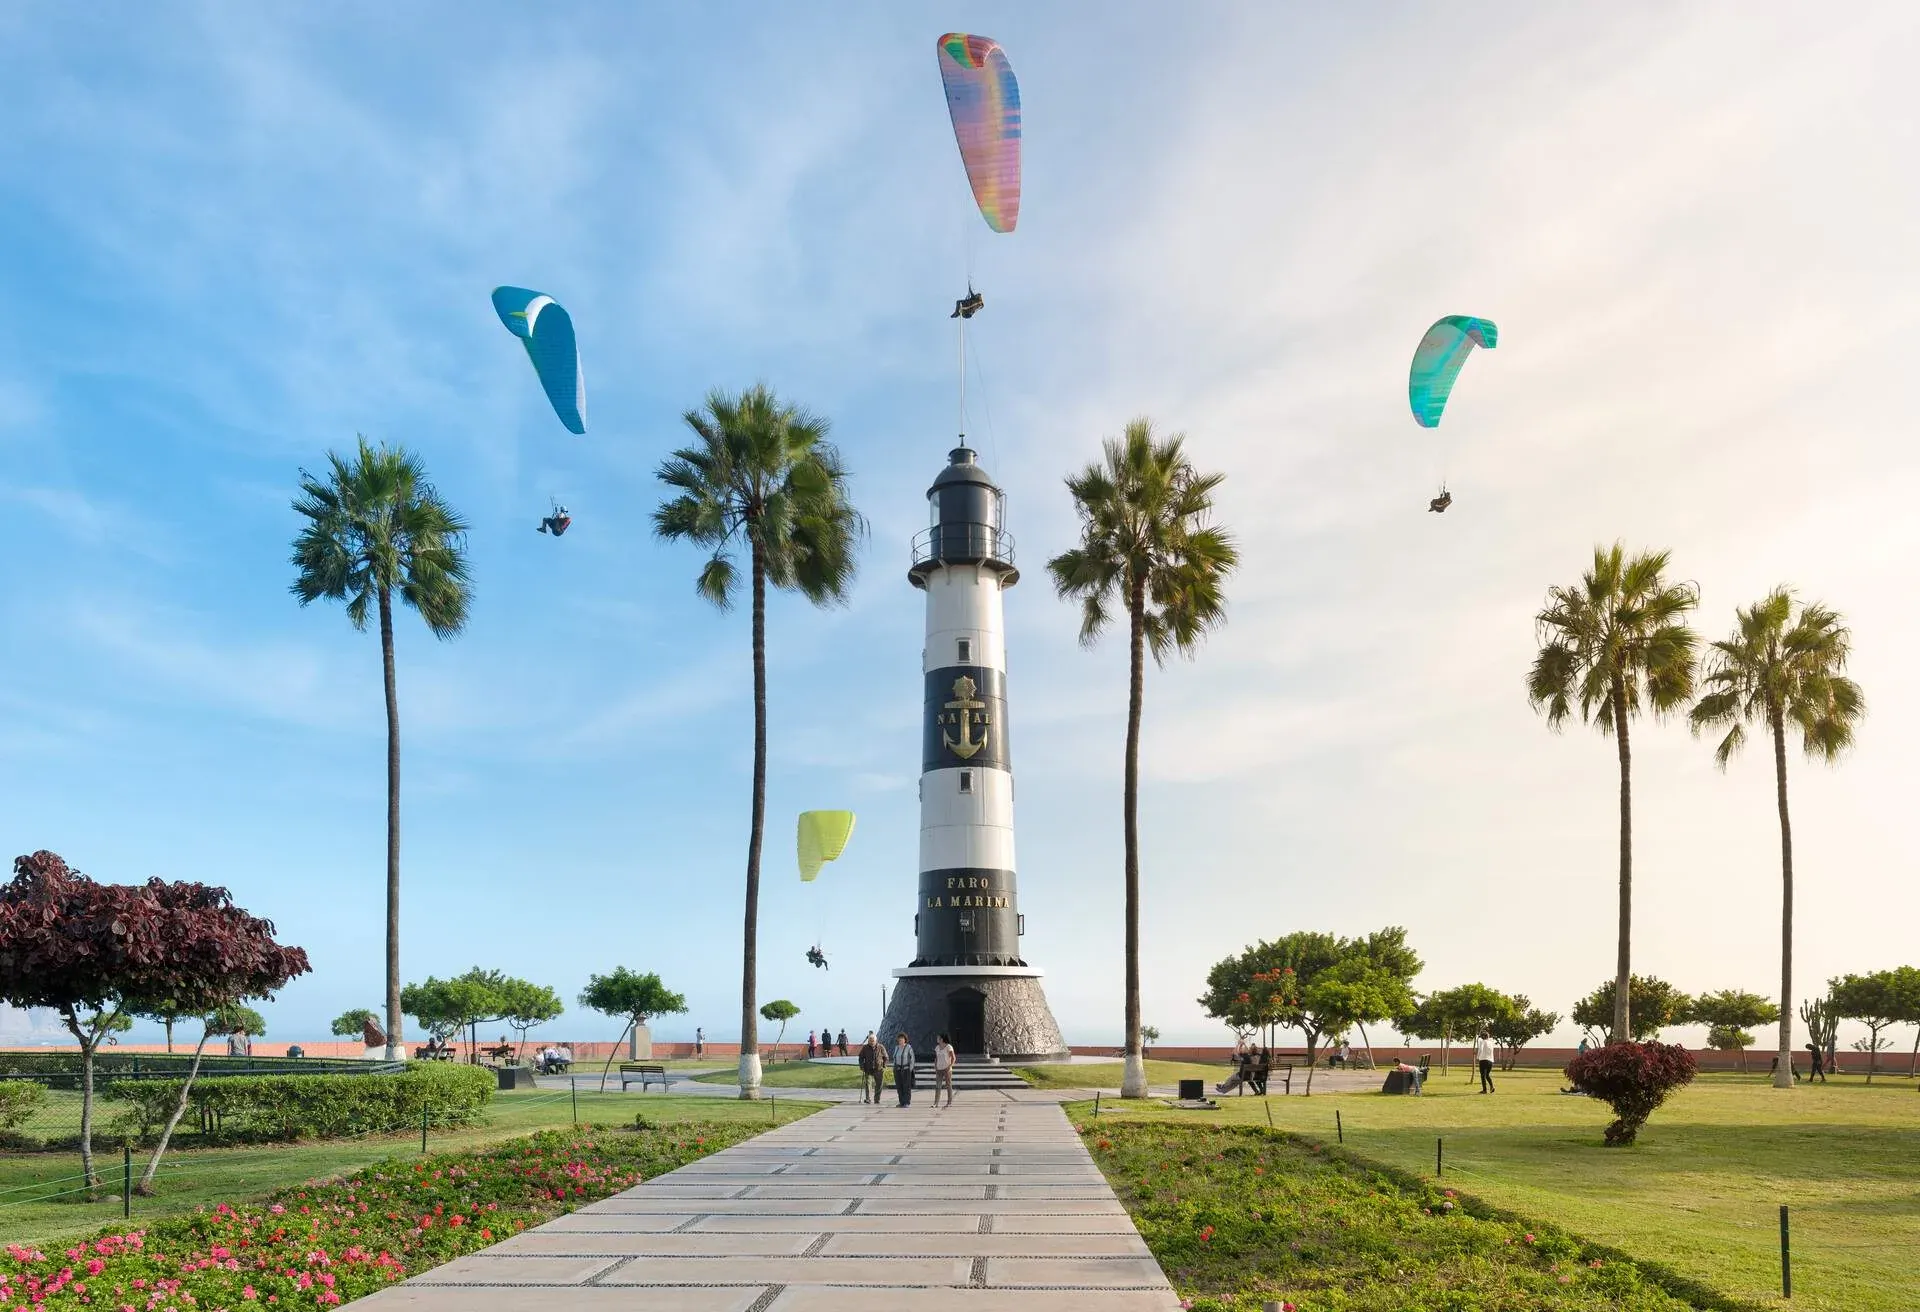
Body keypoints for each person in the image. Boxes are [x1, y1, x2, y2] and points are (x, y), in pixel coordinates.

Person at [858, 1031, 886, 1104]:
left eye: (873, 1041)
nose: (871, 1042)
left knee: (879, 1085)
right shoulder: (865, 1048)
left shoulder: (881, 1047)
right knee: (868, 1084)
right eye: (870, 1041)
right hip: (868, 1069)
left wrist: (884, 1065)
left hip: (879, 1069)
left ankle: (877, 1099)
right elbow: (861, 1057)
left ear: (876, 1041)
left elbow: (886, 1057)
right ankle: (868, 1099)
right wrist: (862, 1066)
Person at [891, 1032, 916, 1107]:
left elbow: (912, 1059)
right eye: (899, 1039)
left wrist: (910, 1069)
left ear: (905, 1040)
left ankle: (907, 1102)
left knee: (906, 1086)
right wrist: (894, 1068)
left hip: (906, 1069)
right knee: (899, 1086)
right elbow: (894, 1058)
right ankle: (901, 1102)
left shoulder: (908, 1047)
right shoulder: (896, 1047)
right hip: (897, 1070)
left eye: (902, 1039)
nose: (900, 1041)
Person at [933, 1033, 956, 1108]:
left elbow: (953, 1058)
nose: (937, 1039)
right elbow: (936, 1058)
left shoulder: (948, 1047)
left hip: (947, 1069)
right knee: (938, 1086)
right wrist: (935, 1066)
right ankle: (936, 1103)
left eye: (938, 1038)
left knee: (948, 1085)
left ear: (942, 1039)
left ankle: (949, 1102)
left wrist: (950, 1066)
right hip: (939, 1069)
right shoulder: (937, 1047)